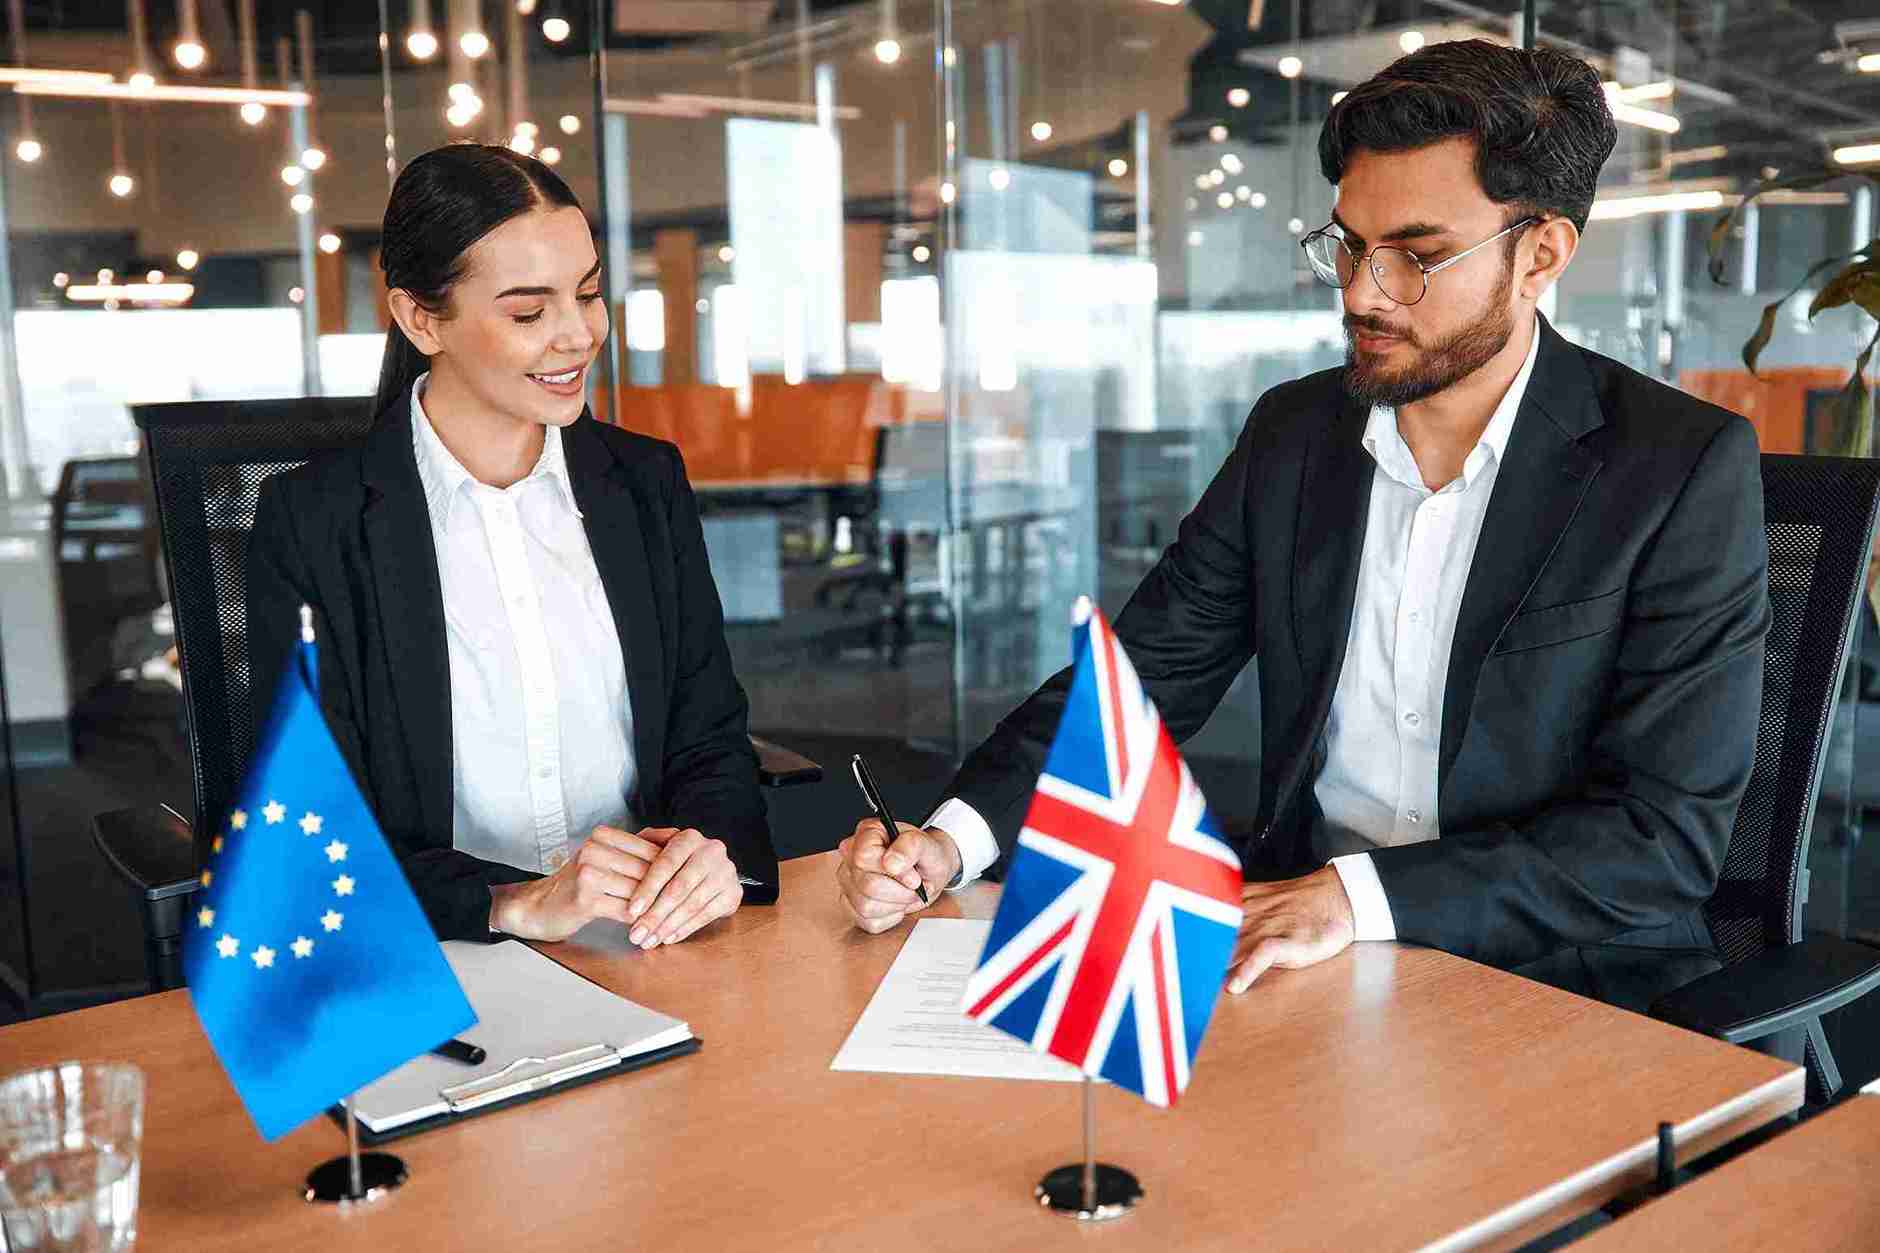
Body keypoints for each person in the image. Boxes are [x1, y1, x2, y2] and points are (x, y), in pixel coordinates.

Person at [834, 39, 1771, 1014]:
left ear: (1538, 254)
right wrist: (950, 838)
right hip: (1297, 962)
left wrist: (1352, 899)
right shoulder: (1295, 433)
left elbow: (1656, 840)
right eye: (1348, 245)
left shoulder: (1673, 468)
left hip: (1557, 983)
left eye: (1413, 255)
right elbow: (1139, 684)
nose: (1362, 291)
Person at [246, 143, 776, 947]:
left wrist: (709, 852)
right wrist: (509, 903)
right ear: (422, 318)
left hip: (643, 942)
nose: (577, 335)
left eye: (589, 294)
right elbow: (309, 830)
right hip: (436, 951)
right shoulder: (315, 521)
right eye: (529, 312)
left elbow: (710, 737)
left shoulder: (643, 483)